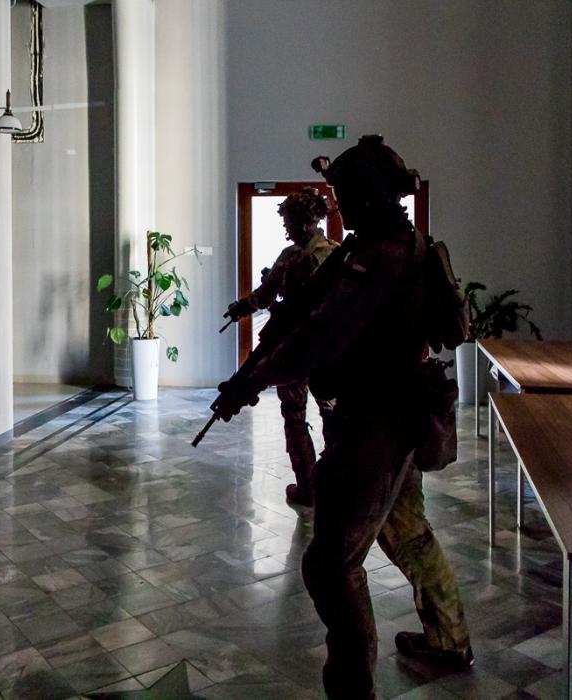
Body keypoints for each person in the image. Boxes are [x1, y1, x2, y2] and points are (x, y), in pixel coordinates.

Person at [213, 136, 472, 699]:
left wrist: (252, 381)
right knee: (409, 533)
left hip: (374, 426)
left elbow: (321, 335)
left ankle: (353, 691)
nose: (339, 205)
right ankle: (449, 637)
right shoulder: (398, 246)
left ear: (370, 195)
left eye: (346, 194)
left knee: (330, 565)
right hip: (397, 418)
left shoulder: (377, 258)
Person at [222, 188, 338, 507]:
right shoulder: (336, 253)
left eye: (289, 221)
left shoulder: (294, 257)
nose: (286, 228)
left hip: (296, 349)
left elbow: (265, 295)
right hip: (328, 351)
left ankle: (308, 486)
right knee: (331, 415)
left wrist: (243, 307)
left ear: (304, 221)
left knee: (295, 415)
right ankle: (334, 484)